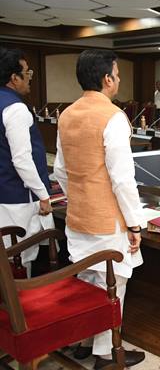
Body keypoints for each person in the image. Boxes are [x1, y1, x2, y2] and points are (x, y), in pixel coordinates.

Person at [53, 49, 145, 368]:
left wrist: (80, 196)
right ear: (107, 79)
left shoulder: (66, 114)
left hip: (77, 217)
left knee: (86, 283)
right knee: (113, 284)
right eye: (117, 75)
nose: (118, 80)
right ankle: (105, 353)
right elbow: (122, 179)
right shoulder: (113, 116)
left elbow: (61, 171)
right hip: (108, 220)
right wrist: (135, 223)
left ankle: (84, 341)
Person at [0, 47, 54, 277]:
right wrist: (43, 195)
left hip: (3, 193)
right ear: (14, 78)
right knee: (20, 259)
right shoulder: (15, 108)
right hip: (18, 198)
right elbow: (22, 159)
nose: (30, 77)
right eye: (27, 73)